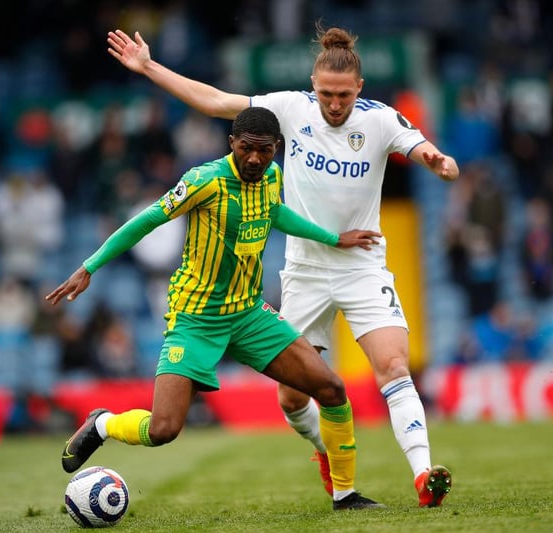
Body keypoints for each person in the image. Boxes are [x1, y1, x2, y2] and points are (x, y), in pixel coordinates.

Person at [107, 24, 459, 507]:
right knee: (293, 399)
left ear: (359, 88)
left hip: (361, 265)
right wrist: (149, 67)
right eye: (326, 94)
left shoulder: (380, 119)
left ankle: (423, 475)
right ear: (314, 89)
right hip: (305, 272)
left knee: (394, 365)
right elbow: (215, 102)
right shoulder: (292, 108)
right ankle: (324, 452)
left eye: (343, 95)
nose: (334, 104)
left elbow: (419, 146)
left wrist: (435, 159)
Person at [47, 107, 385, 511]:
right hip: (196, 318)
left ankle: (345, 495)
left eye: (264, 151)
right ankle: (102, 424)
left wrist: (333, 238)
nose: (256, 159)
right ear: (232, 145)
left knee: (331, 388)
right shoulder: (203, 180)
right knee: (164, 428)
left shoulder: (272, 177)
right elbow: (147, 221)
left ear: (276, 148)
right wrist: (90, 266)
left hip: (249, 315)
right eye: (247, 149)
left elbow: (275, 214)